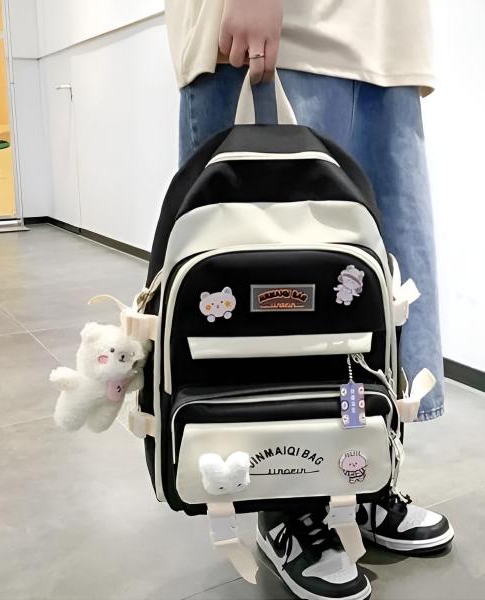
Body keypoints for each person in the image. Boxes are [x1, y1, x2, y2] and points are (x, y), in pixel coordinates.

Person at [165, 1, 453, 598]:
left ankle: (363, 471)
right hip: (288, 29)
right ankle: (288, 499)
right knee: (280, 293)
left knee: (370, 291)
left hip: (382, 42)